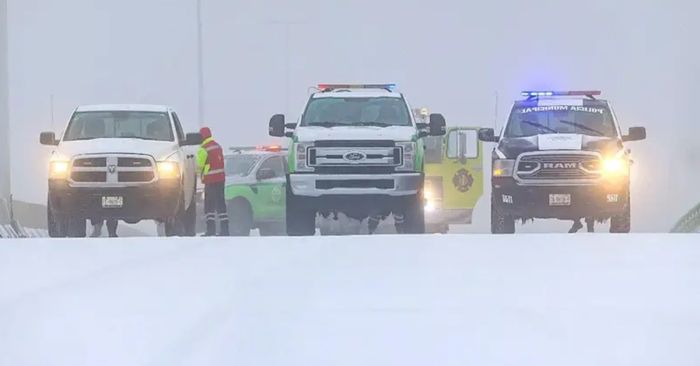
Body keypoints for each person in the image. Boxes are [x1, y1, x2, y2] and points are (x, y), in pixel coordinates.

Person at [196, 127, 229, 236]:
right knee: (221, 204)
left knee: (209, 206)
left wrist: (197, 174)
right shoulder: (217, 146)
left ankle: (211, 230)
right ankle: (225, 230)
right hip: (221, 179)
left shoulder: (203, 148)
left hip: (210, 180)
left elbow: (199, 165)